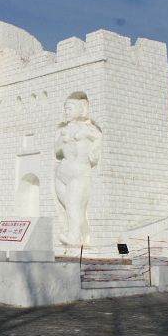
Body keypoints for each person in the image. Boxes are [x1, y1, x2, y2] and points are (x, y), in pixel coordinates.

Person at [54, 92, 102, 247]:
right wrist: (61, 138)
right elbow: (57, 152)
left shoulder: (89, 129)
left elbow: (97, 142)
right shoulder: (64, 129)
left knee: (74, 205)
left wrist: (94, 152)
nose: (66, 111)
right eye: (65, 109)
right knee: (71, 207)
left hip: (79, 172)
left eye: (69, 108)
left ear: (82, 108)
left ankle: (74, 238)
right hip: (62, 173)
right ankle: (83, 234)